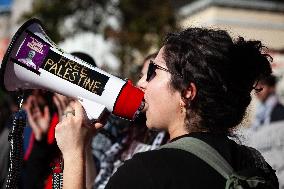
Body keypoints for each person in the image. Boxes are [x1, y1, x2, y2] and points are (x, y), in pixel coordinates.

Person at [55, 28, 279, 189]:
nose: (141, 83)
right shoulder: (252, 163)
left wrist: (74, 153)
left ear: (187, 93)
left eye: (153, 72)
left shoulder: (144, 173)